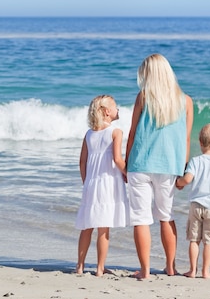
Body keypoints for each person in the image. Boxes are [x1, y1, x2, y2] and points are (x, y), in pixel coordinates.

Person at [125, 53, 194, 279]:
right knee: (166, 216)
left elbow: (133, 133)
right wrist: (183, 169)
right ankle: (171, 268)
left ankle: (144, 271)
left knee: (141, 218)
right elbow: (186, 138)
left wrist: (126, 163)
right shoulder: (185, 101)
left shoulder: (143, 97)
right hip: (169, 166)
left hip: (140, 164)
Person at [75, 94, 129, 277]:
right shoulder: (115, 132)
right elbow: (117, 159)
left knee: (87, 226)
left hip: (91, 183)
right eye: (115, 106)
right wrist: (127, 173)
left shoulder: (89, 134)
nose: (118, 109)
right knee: (103, 228)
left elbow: (82, 162)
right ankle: (99, 268)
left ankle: (80, 266)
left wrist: (86, 181)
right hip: (107, 184)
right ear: (107, 112)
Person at [175, 123, 210, 279]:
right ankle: (206, 272)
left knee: (194, 239)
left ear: (200, 142)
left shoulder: (195, 161)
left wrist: (178, 183)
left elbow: (187, 179)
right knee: (209, 241)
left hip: (196, 206)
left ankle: (192, 270)